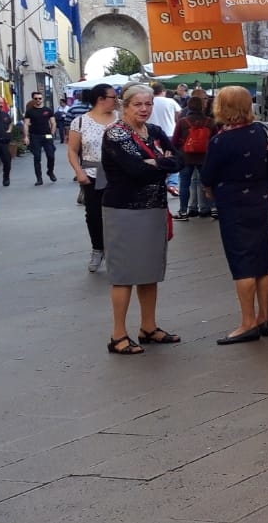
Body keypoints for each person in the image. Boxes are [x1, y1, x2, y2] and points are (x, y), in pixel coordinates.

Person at [100, 84, 181, 355]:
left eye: (148, 104)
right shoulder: (116, 133)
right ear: (125, 106)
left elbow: (179, 160)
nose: (144, 109)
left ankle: (148, 327)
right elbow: (134, 171)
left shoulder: (154, 131)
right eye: (138, 104)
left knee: (149, 272)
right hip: (124, 209)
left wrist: (155, 164)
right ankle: (118, 335)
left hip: (154, 207)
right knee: (124, 275)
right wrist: (161, 163)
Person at [200, 86, 268, 344]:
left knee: (242, 261)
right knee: (263, 259)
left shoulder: (221, 141)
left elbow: (207, 175)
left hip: (234, 203)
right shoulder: (259, 131)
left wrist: (209, 188)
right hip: (261, 198)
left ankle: (248, 323)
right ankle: (263, 317)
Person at [68, 84, 118, 273]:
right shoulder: (80, 122)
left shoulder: (122, 119)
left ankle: (116, 251)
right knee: (94, 214)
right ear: (101, 99)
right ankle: (98, 248)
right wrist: (79, 171)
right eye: (113, 97)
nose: (117, 100)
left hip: (119, 175)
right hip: (92, 174)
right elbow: (72, 150)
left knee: (118, 214)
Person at [172, 97, 215, 220]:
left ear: (188, 106)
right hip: (205, 157)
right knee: (207, 183)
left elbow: (174, 141)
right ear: (203, 106)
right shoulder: (210, 121)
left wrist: (178, 151)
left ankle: (183, 211)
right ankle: (213, 208)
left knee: (184, 185)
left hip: (186, 157)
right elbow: (215, 139)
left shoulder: (183, 121)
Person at [22, 91, 56, 185]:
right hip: (35, 136)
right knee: (37, 157)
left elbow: (53, 123)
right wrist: (26, 136)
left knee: (51, 155)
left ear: (42, 99)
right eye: (36, 98)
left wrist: (52, 134)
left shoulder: (48, 110)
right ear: (33, 99)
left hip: (47, 135)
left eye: (40, 98)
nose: (38, 100)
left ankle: (50, 171)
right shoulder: (30, 111)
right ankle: (39, 178)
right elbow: (26, 124)